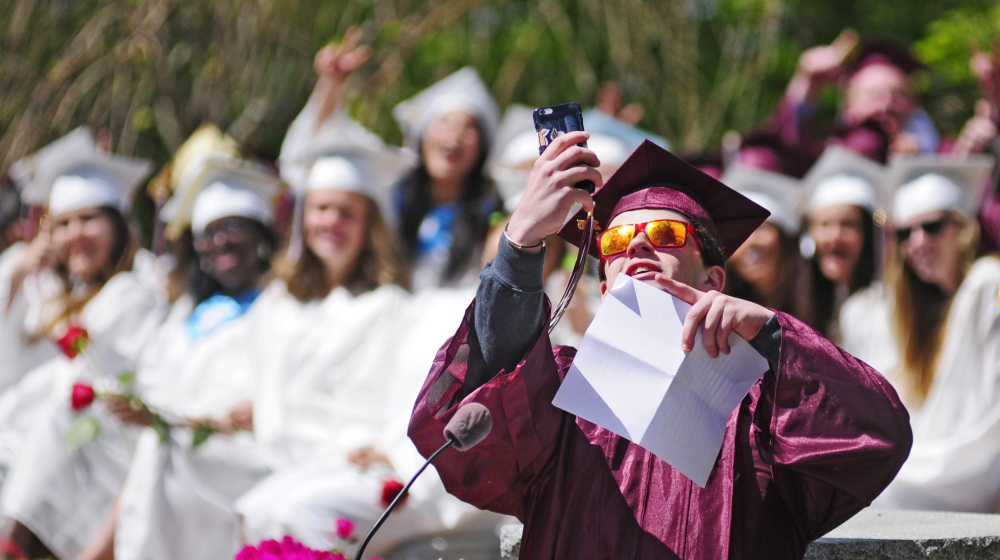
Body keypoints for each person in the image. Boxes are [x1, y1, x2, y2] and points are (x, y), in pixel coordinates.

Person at [409, 133, 912, 560]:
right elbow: (464, 410)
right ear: (604, 286)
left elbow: (876, 438)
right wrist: (519, 245)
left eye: (666, 233)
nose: (638, 246)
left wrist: (775, 336)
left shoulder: (767, 404)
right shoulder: (557, 394)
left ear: (714, 278)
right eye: (615, 242)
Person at [234, 122, 504, 557]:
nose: (331, 223)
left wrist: (388, 448)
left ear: (369, 225)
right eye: (321, 209)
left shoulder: (389, 307)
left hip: (353, 456)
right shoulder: (279, 302)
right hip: (285, 454)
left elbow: (399, 392)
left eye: (347, 213)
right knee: (255, 508)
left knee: (295, 512)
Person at [106, 152, 284, 560]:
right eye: (207, 233)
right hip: (179, 444)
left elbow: (272, 397)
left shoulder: (278, 305)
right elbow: (152, 380)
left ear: (261, 236)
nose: (219, 241)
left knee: (163, 453)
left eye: (233, 227)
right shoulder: (189, 313)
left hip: (242, 451)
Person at [0, 138, 166, 560]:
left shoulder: (134, 292)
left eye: (89, 219)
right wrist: (20, 268)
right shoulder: (47, 298)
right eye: (63, 223)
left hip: (96, 454)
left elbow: (89, 389)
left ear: (118, 225)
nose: (76, 235)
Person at [840, 154, 999, 512]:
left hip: (975, 466)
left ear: (964, 228)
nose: (917, 243)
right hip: (939, 463)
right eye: (905, 233)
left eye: (932, 227)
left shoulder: (987, 285)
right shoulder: (922, 312)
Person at [392, 67, 503, 291]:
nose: (454, 136)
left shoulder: (491, 218)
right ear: (421, 137)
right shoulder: (391, 199)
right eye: (445, 122)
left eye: (469, 127)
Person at [773, 31, 938, 159]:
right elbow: (786, 151)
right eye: (873, 95)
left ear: (914, 105)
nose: (885, 104)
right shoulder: (826, 158)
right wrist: (807, 87)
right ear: (847, 106)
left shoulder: (938, 157)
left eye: (898, 96)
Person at [795, 146, 885, 340]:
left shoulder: (883, 308)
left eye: (848, 224)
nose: (834, 236)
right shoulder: (811, 308)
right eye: (825, 224)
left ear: (868, 235)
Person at [720, 163, 803, 314]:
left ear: (784, 238)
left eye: (761, 228)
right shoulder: (730, 311)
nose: (750, 241)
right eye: (741, 232)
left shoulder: (818, 302)